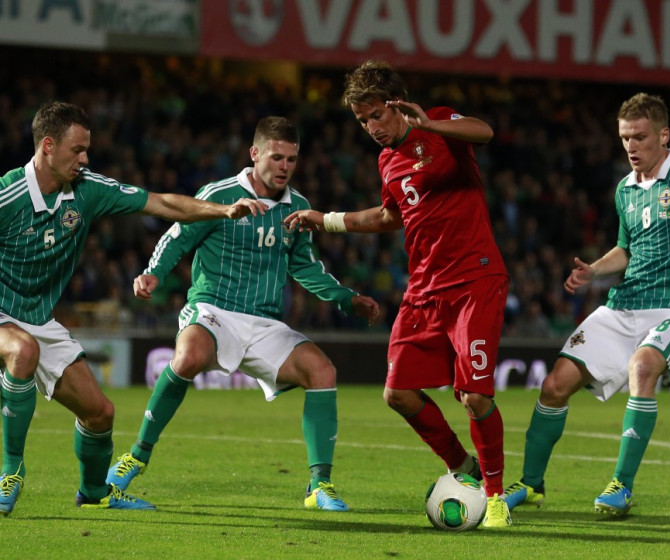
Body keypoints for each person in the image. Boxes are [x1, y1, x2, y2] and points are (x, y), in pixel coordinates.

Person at [106, 116, 379, 511]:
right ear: (255, 154)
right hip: (214, 307)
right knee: (188, 356)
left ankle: (320, 485)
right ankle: (136, 456)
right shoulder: (220, 194)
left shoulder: (298, 207)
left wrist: (345, 298)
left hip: (265, 322)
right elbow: (179, 234)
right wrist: (153, 274)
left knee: (323, 372)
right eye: (277, 157)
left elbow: (304, 266)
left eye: (292, 159)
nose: (285, 166)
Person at [0, 101, 258, 515]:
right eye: (77, 149)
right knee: (22, 350)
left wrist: (222, 210)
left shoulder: (87, 189)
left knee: (101, 413)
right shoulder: (8, 195)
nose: (85, 158)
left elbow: (163, 204)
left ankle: (95, 494)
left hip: (36, 318)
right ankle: (9, 473)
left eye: (87, 149)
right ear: (47, 146)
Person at [284, 60, 511, 528]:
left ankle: (495, 497)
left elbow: (485, 132)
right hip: (425, 287)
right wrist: (325, 219)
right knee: (398, 393)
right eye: (362, 121)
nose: (370, 128)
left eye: (375, 116)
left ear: (396, 105)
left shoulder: (442, 124)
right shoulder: (387, 160)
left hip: (474, 280)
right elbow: (391, 217)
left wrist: (429, 122)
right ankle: (461, 466)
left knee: (474, 397)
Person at [503, 92, 670, 516]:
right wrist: (594, 270)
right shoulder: (624, 189)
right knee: (554, 386)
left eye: (640, 137)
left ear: (663, 135)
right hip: (624, 303)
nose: (631, 146)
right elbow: (626, 249)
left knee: (642, 368)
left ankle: (621, 487)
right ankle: (532, 484)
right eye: (625, 137)